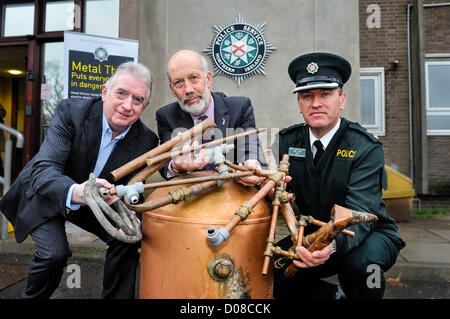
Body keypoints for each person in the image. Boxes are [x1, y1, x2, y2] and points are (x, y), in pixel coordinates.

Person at [0, 61, 159, 299]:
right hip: (48, 191)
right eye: (121, 93)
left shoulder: (146, 140)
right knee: (54, 254)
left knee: (128, 235)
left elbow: (128, 186)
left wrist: (127, 203)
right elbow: (44, 170)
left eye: (137, 99)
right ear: (105, 92)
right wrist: (77, 191)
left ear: (144, 105)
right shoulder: (72, 112)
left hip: (93, 202)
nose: (128, 105)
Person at [272, 52, 405, 299]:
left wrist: (330, 246)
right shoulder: (286, 142)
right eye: (306, 96)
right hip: (312, 235)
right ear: (299, 104)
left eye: (326, 94)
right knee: (271, 267)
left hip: (368, 233)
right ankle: (334, 296)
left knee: (363, 268)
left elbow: (360, 212)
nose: (316, 103)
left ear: (341, 99)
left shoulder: (365, 147)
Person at [156, 49, 264, 186]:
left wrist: (251, 164)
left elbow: (250, 146)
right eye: (178, 82)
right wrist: (177, 167)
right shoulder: (165, 116)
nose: (188, 89)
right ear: (172, 90)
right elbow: (165, 166)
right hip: (191, 195)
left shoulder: (240, 107)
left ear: (208, 79)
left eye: (193, 78)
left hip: (236, 193)